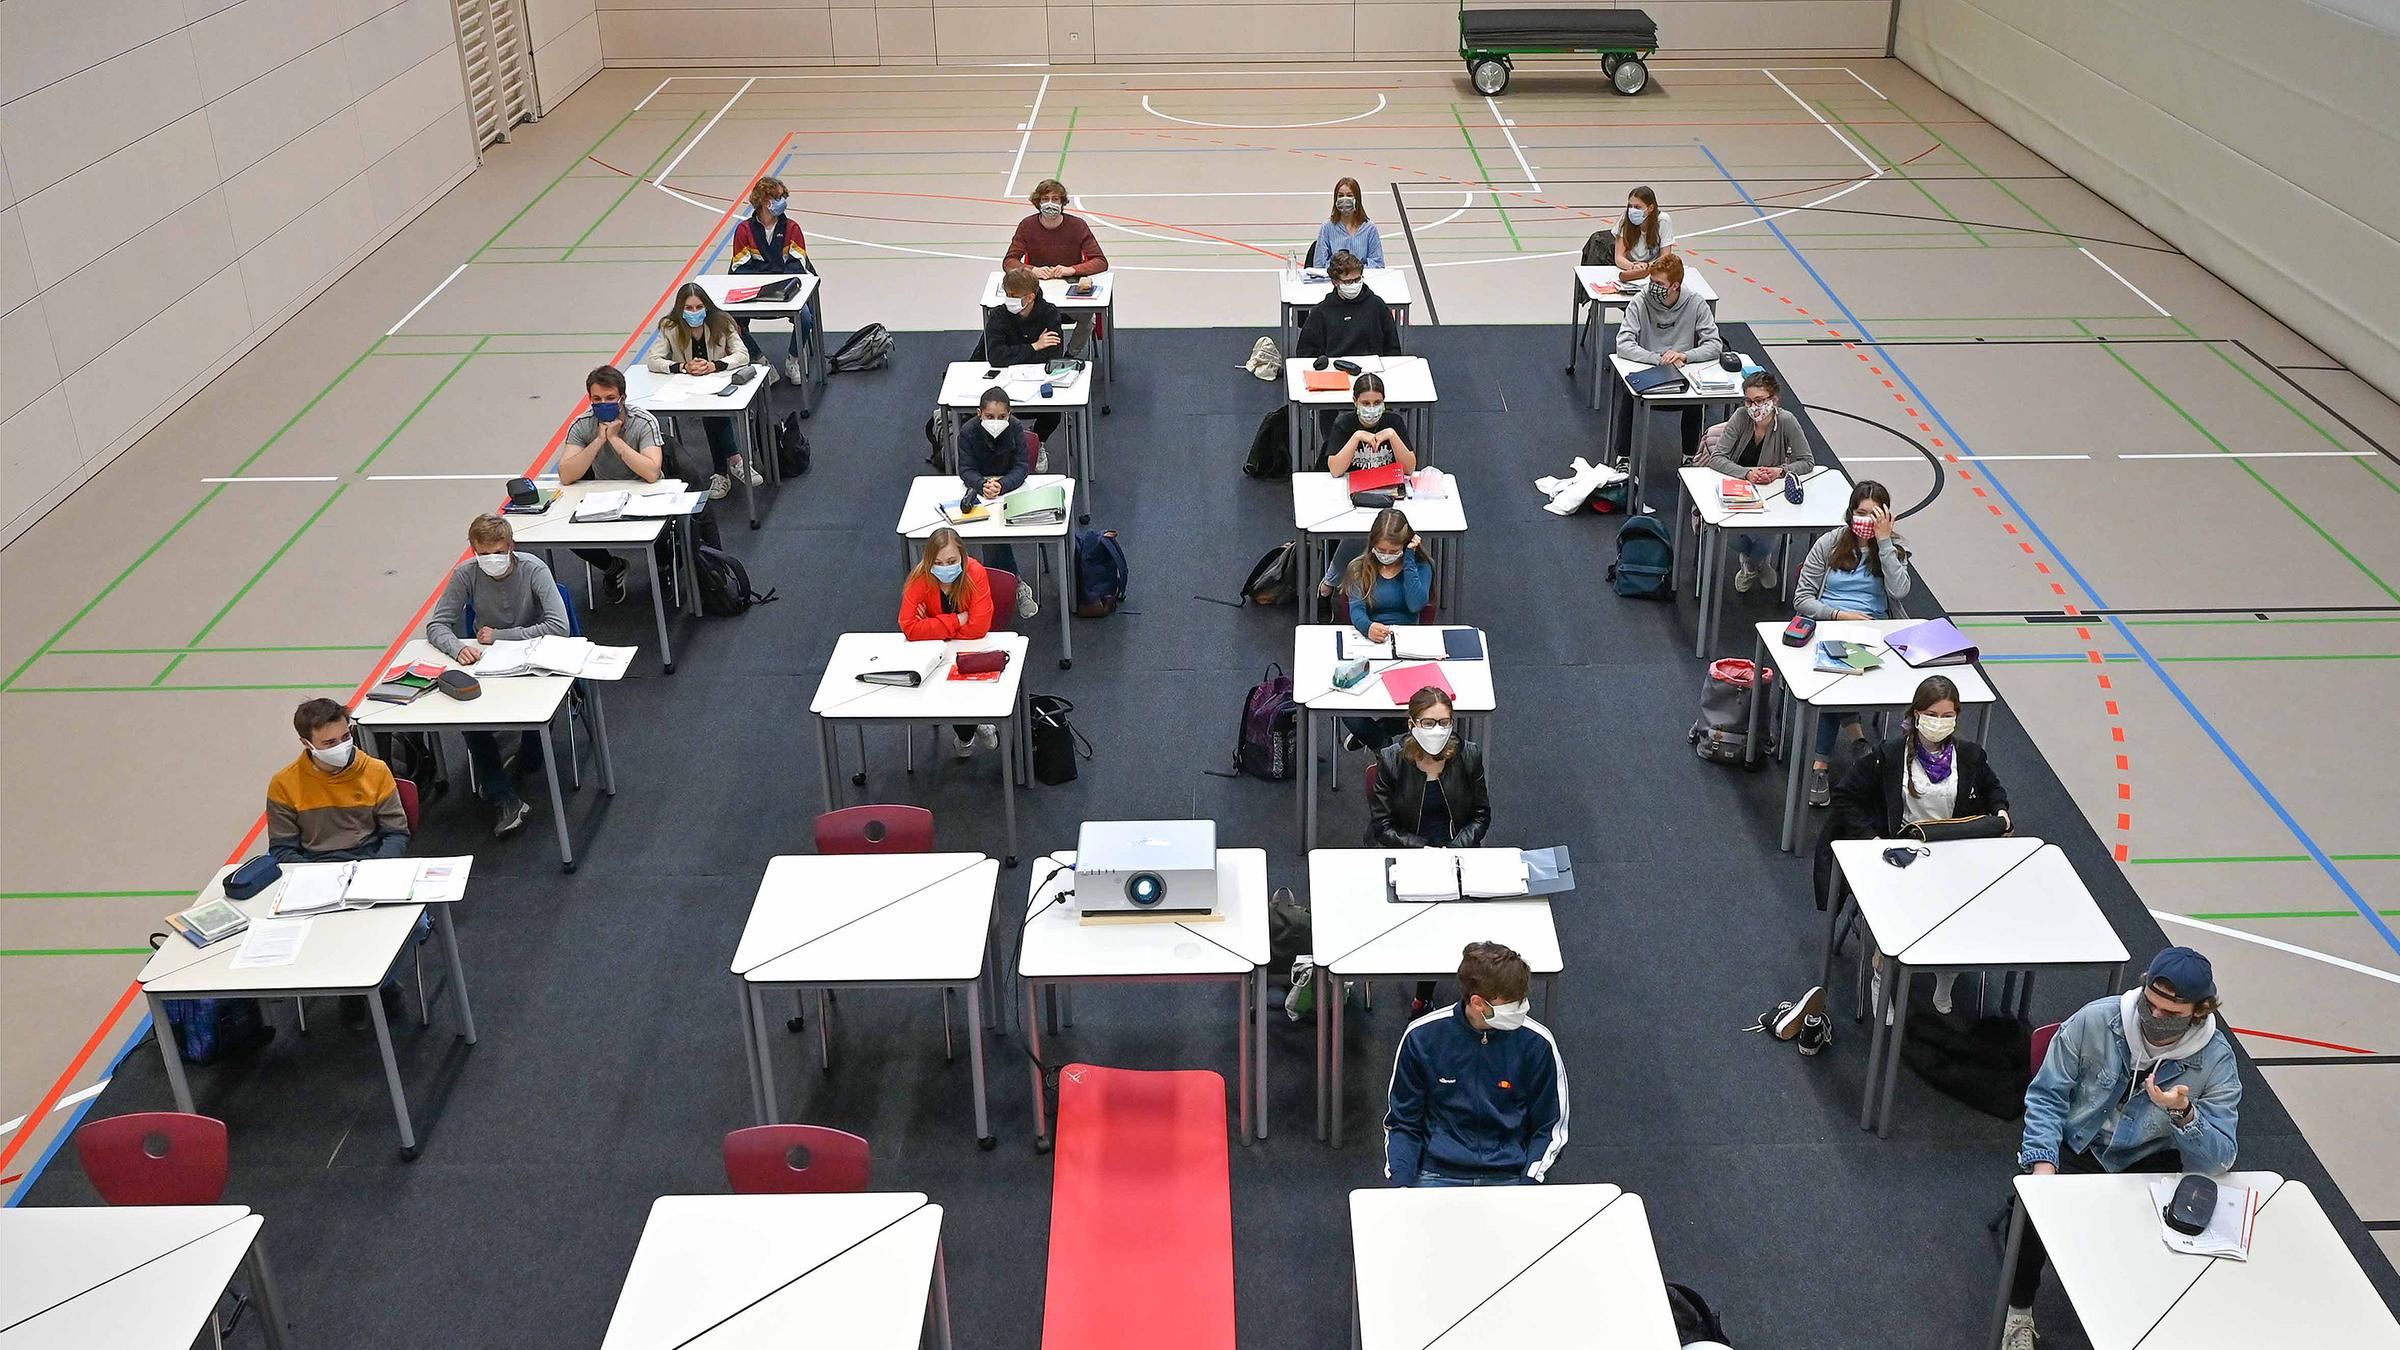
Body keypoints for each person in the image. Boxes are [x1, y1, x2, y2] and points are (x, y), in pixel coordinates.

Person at [2000, 947, 2240, 1350]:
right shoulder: (2097, 1019)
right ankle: (2018, 1311)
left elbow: (2219, 1159)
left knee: (2170, 1244)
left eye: (2170, 1014)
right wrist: (2044, 1165)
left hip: (2146, 1159)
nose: (2155, 1018)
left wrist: (2184, 1114)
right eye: (2151, 1004)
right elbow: (2045, 1098)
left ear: (2199, 1011)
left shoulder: (2215, 1061)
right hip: (2079, 1143)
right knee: (2031, 1222)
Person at [1818, 675, 2011, 1015]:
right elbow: (1846, 797)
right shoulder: (1888, 756)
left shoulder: (1969, 756)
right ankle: (1882, 977)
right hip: (1901, 853)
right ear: (1917, 714)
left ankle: (1946, 977)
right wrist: (1873, 840)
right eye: (1933, 714)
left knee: (1960, 912)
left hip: (1952, 852)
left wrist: (2000, 811)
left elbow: (1994, 789)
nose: (1940, 722)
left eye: (1947, 715)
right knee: (1892, 915)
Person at [264, 699, 416, 1025]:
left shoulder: (375, 771)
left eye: (345, 737)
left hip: (371, 862)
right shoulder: (284, 785)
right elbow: (282, 851)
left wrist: (373, 871)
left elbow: (395, 834)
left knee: (414, 926)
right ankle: (363, 986)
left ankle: (376, 984)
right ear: (307, 744)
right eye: (329, 743)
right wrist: (321, 880)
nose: (342, 747)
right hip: (316, 874)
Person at [425, 514, 570, 838]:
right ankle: (504, 796)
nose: (491, 560)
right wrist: (455, 648)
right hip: (488, 663)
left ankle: (526, 761)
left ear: (511, 546)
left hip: (535, 660)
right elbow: (437, 624)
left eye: (498, 551)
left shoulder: (534, 569)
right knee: (469, 720)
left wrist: (504, 635)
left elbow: (559, 627)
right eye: (483, 553)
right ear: (473, 550)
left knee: (537, 715)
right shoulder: (466, 574)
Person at [1384, 941, 1567, 1187]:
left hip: (1510, 1174)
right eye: (1511, 1003)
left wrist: (1529, 1183)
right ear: (1478, 1002)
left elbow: (1550, 1127)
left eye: (1521, 999)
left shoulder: (1538, 1043)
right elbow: (1403, 1123)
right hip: (1437, 1172)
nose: (1522, 1008)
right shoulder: (1422, 1037)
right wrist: (1402, 1183)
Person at [1794, 480, 1914, 805]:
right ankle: (1825, 762)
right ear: (1850, 513)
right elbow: (1802, 599)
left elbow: (1900, 590)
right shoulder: (1829, 543)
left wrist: (1885, 542)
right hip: (1832, 628)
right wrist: (1838, 615)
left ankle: (1844, 743)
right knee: (1839, 679)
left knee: (1851, 675)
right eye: (1861, 513)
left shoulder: (1893, 549)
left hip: (1876, 634)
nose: (1866, 521)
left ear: (1886, 518)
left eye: (1874, 515)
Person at [558, 365, 665, 605]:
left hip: (646, 494)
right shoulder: (582, 425)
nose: (602, 403)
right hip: (604, 494)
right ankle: (611, 566)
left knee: (665, 537)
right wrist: (598, 441)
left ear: (622, 398)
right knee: (567, 531)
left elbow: (651, 472)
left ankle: (665, 568)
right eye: (597, 399)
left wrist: (615, 440)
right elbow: (566, 474)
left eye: (609, 398)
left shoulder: (643, 422)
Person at [645, 282, 759, 502]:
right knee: (712, 415)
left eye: (699, 307)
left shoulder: (722, 321)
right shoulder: (670, 327)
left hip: (717, 384)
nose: (694, 312)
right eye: (689, 308)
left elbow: (742, 354)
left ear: (707, 306)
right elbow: (653, 360)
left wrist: (716, 365)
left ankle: (722, 471)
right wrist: (682, 366)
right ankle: (735, 462)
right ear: (681, 309)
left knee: (713, 413)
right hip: (686, 388)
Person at [1703, 370, 1813, 591]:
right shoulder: (1741, 417)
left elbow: (1807, 461)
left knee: (1771, 529)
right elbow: (1717, 458)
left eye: (1760, 401)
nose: (1754, 407)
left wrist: (1780, 471)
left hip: (1770, 490)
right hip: (1736, 486)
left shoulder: (1787, 421)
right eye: (1749, 401)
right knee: (1721, 528)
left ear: (1774, 400)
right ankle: (1758, 562)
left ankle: (1751, 564)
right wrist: (1746, 473)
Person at [1611, 252, 1721, 471]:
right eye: (1651, 281)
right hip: (1649, 370)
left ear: (1675, 286)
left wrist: (1685, 355)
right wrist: (1656, 359)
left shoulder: (1696, 303)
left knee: (1696, 400)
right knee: (1628, 395)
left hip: (1682, 372)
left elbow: (1714, 345)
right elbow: (1623, 344)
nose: (1653, 287)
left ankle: (1690, 456)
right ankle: (1623, 458)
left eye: (1659, 283)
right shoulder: (1640, 301)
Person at [1339, 510, 1436, 753]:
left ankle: (1378, 737)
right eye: (1382, 549)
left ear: (1407, 545)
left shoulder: (1421, 567)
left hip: (1408, 648)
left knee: (1424, 708)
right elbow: (1357, 611)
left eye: (1395, 551)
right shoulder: (1359, 568)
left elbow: (1416, 604)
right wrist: (1368, 627)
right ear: (1372, 544)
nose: (1387, 556)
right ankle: (1384, 747)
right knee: (1346, 707)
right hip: (1368, 645)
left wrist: (1410, 559)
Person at [1315, 374, 1420, 596]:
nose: (1371, 409)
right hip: (1354, 495)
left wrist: (1392, 436)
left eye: (1376, 403)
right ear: (1355, 402)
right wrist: (1356, 438)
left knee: (1382, 530)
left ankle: (1337, 584)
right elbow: (1335, 469)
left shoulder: (1393, 422)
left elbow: (1410, 466)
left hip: (1388, 494)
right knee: (1360, 533)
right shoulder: (1344, 424)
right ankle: (1330, 584)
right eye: (1365, 403)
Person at [898, 528, 999, 757]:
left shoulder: (975, 572)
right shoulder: (919, 578)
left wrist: (932, 625)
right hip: (935, 653)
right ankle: (972, 727)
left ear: (962, 556)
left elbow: (979, 626)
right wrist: (958, 619)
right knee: (940, 685)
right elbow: (909, 627)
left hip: (973, 649)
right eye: (938, 562)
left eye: (951, 561)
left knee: (963, 684)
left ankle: (968, 731)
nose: (945, 568)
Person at [956, 387, 1040, 620]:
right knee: (990, 536)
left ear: (1010, 414)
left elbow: (1022, 467)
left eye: (1001, 417)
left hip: (1011, 490)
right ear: (979, 413)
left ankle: (1007, 585)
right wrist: (982, 484)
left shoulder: (1014, 429)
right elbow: (965, 468)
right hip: (980, 492)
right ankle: (1015, 583)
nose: (996, 421)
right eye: (990, 417)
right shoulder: (968, 432)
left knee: (996, 537)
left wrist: (1002, 485)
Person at [727, 174, 814, 382]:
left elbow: (797, 265)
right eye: (779, 197)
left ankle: (793, 359)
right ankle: (760, 360)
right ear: (766, 201)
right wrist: (762, 286)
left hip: (785, 291)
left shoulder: (792, 228)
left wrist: (777, 285)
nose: (783, 201)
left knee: (806, 317)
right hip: (754, 293)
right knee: (728, 323)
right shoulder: (744, 230)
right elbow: (739, 268)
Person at [983, 268, 1070, 440]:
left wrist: (1013, 355)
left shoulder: (1049, 314)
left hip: (1038, 381)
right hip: (1004, 381)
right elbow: (995, 356)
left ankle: (1037, 443)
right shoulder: (998, 316)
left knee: (1053, 414)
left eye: (1013, 295)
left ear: (1030, 297)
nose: (1009, 299)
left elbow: (1051, 356)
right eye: (1007, 294)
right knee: (990, 410)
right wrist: (1034, 347)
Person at [1297, 250, 1403, 360]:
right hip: (1334, 370)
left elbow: (1393, 349)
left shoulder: (1378, 306)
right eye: (1348, 282)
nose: (1353, 285)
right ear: (1335, 282)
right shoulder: (1320, 312)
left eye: (1357, 280)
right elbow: (1305, 352)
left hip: (1371, 370)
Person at [1004, 178, 1109, 280]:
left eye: (1055, 199)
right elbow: (1009, 262)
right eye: (1045, 199)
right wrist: (1032, 270)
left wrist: (1072, 270)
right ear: (1038, 202)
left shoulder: (1078, 225)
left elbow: (1100, 262)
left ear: (1061, 202)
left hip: (1070, 282)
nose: (1050, 203)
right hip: (1037, 283)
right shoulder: (1027, 225)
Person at [1315, 176, 1385, 269]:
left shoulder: (1369, 228)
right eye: (1340, 196)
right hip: (1335, 280)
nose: (1345, 199)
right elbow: (1319, 264)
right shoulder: (1327, 227)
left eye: (1349, 195)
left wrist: (1356, 271)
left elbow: (1378, 263)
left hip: (1362, 279)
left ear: (1357, 199)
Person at [1613, 185, 1674, 281]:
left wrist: (1647, 266)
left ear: (1650, 208)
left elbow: (1665, 256)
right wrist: (1633, 266)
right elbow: (1619, 257)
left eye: (1637, 207)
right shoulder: (1624, 218)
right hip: (1629, 270)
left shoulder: (1663, 220)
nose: (1632, 211)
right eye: (1630, 206)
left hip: (1653, 271)